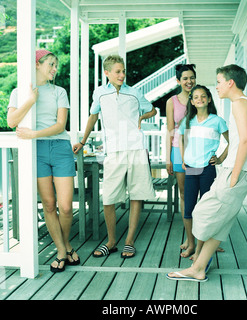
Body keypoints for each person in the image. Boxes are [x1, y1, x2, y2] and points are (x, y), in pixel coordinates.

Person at [167, 64, 247, 282]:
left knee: (201, 213)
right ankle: (198, 267)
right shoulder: (246, 103)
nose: (216, 86)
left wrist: (234, 174)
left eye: (218, 82)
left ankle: (197, 257)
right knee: (221, 223)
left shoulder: (238, 104)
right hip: (239, 170)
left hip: (237, 171)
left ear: (230, 83)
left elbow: (246, 140)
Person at [73, 55, 156, 259]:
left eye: (123, 71)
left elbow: (152, 110)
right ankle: (111, 241)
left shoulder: (135, 93)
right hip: (113, 150)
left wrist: (142, 117)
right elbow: (93, 116)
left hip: (136, 148)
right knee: (109, 197)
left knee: (137, 195)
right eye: (117, 71)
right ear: (107, 73)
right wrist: (83, 141)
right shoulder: (100, 94)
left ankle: (129, 241)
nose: (122, 75)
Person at [7, 49, 80, 273]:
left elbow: (60, 125)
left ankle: (65, 244)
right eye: (50, 64)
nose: (54, 69)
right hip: (36, 152)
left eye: (55, 65)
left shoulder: (60, 91)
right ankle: (62, 250)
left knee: (66, 207)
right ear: (37, 64)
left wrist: (34, 134)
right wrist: (30, 100)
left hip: (59, 147)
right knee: (49, 205)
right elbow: (11, 121)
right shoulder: (19, 92)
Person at [178, 85, 229, 259]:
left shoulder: (217, 121)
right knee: (189, 208)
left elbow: (233, 141)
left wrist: (221, 158)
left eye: (203, 96)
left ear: (208, 99)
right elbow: (182, 140)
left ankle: (203, 247)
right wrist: (184, 159)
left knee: (206, 209)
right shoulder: (188, 121)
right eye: (196, 97)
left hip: (207, 169)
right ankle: (191, 245)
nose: (199, 99)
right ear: (192, 101)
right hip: (192, 168)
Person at [166, 64, 196, 251]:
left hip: (198, 149)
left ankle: (204, 237)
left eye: (192, 77)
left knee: (203, 194)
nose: (189, 81)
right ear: (178, 81)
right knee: (184, 194)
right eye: (185, 78)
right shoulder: (172, 101)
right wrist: (168, 157)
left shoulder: (201, 98)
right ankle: (189, 237)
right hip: (178, 149)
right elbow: (169, 129)